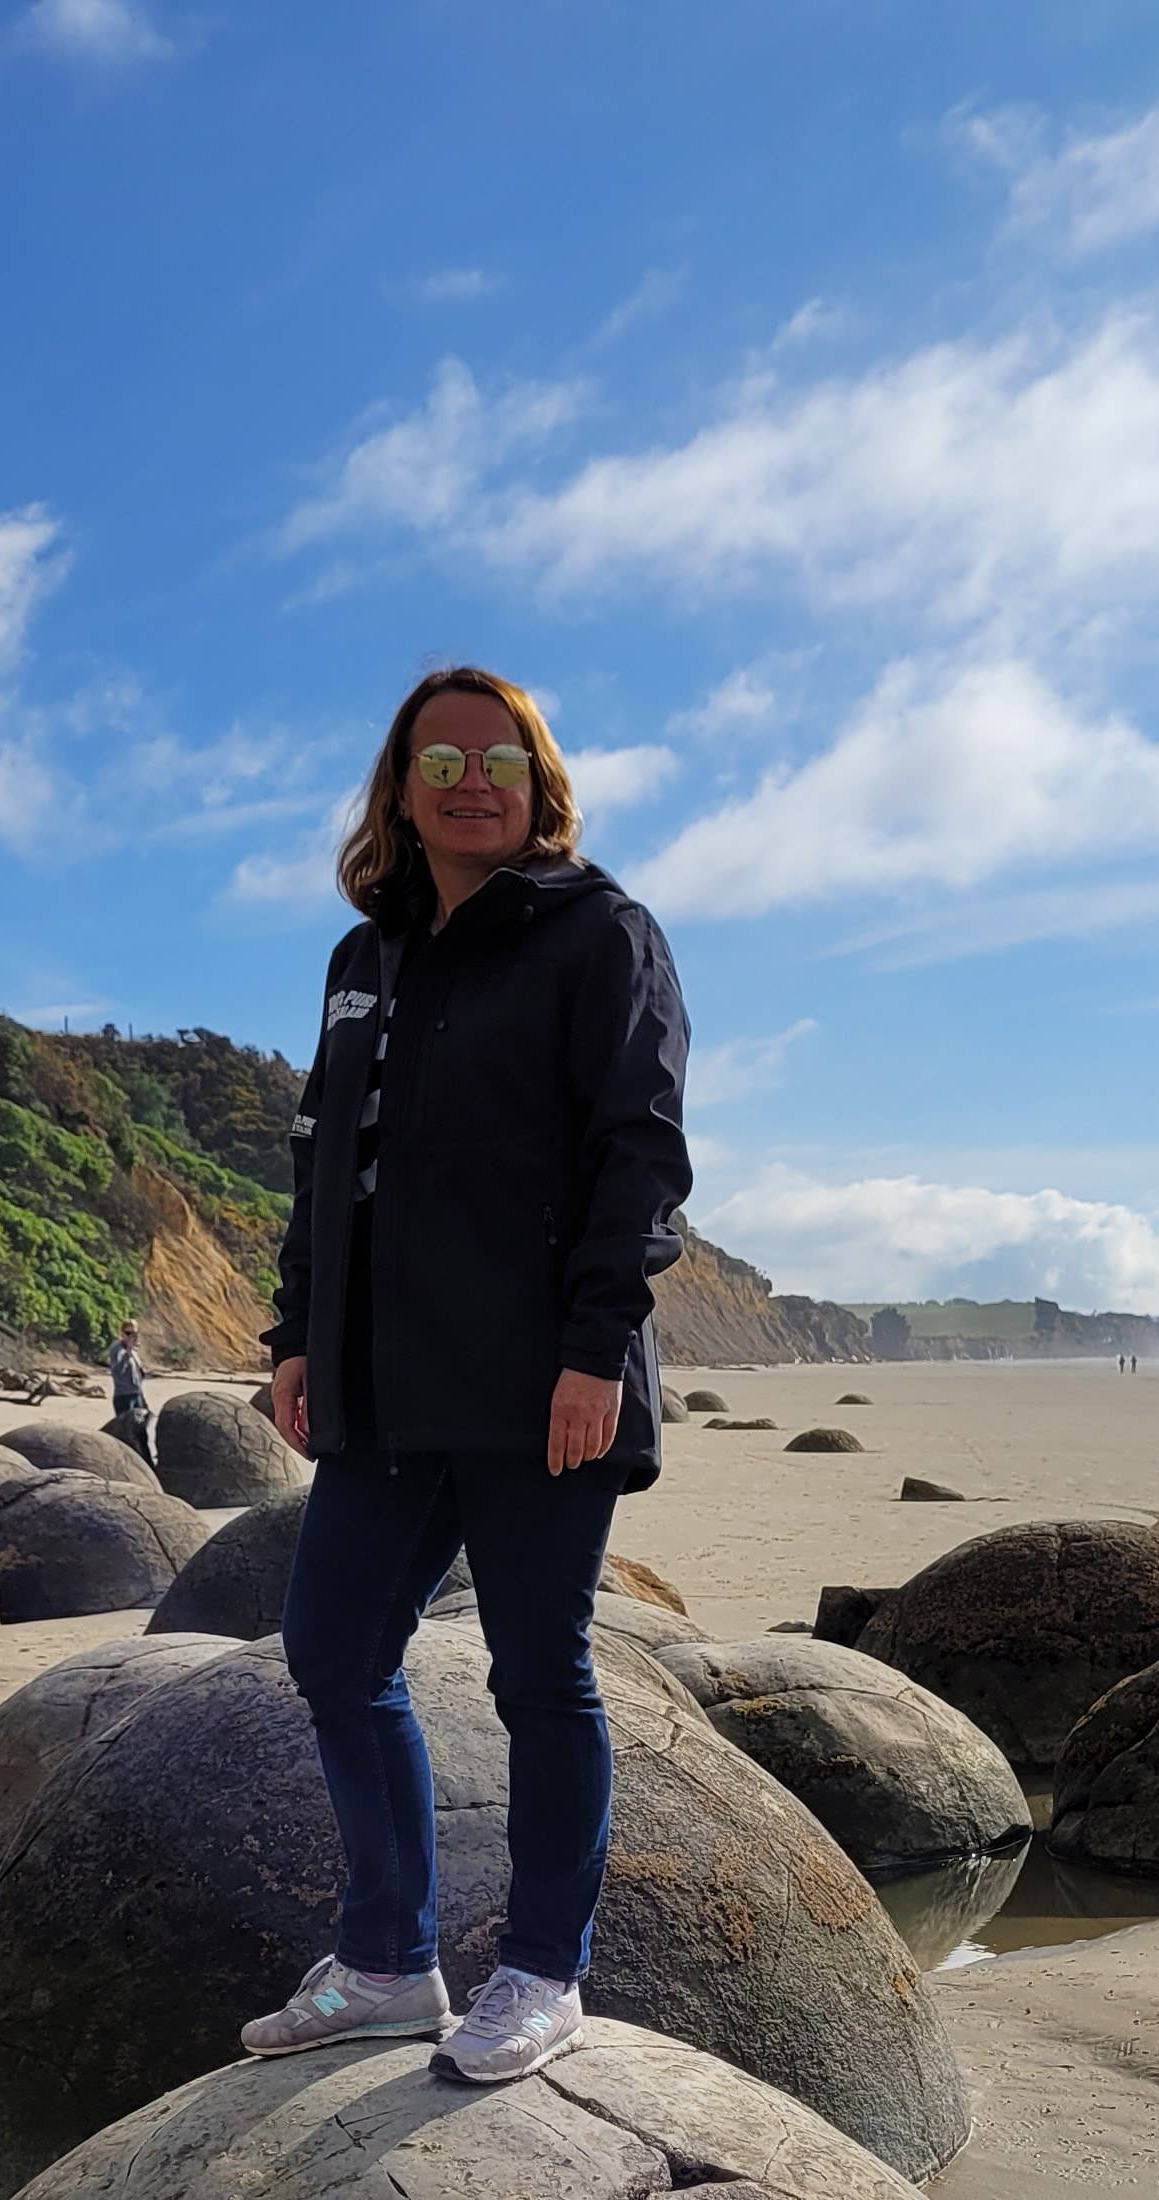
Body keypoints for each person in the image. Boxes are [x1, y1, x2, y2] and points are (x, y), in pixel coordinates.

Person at [241, 665, 689, 2084]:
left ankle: (546, 1973)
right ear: (402, 792)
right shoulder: (361, 964)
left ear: (540, 781)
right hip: (385, 1380)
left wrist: (593, 1348)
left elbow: (642, 1152)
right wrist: (298, 1334)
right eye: (445, 765)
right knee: (333, 1650)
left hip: (541, 1378)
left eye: (502, 759)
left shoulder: (601, 934)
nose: (475, 782)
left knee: (539, 1673)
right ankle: (389, 1960)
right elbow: (328, 1163)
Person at [106, 1320, 149, 1456]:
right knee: (127, 1435)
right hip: (124, 1396)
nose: (132, 1337)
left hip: (136, 1394)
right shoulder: (117, 1350)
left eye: (135, 1333)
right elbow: (117, 1372)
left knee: (142, 1432)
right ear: (122, 1333)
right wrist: (128, 1353)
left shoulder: (133, 1351)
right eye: (129, 1333)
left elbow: (139, 1374)